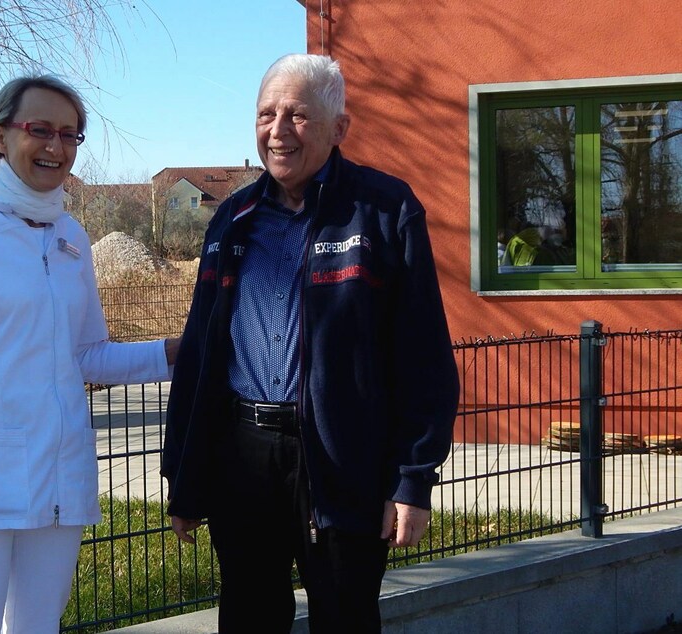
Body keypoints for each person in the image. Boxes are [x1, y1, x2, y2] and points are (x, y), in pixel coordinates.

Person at [161, 54, 460, 633]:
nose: (277, 131)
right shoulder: (232, 218)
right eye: (266, 114)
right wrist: (184, 472)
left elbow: (423, 355)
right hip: (243, 456)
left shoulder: (384, 210)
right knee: (248, 616)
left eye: (297, 116)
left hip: (345, 458)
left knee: (345, 618)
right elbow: (201, 351)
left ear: (338, 128)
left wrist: (413, 479)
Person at [0, 74, 178, 634]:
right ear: (0, 137)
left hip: (58, 477)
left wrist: (175, 352)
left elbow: (88, 357)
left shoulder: (70, 236)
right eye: (40, 130)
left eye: (70, 134)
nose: (57, 146)